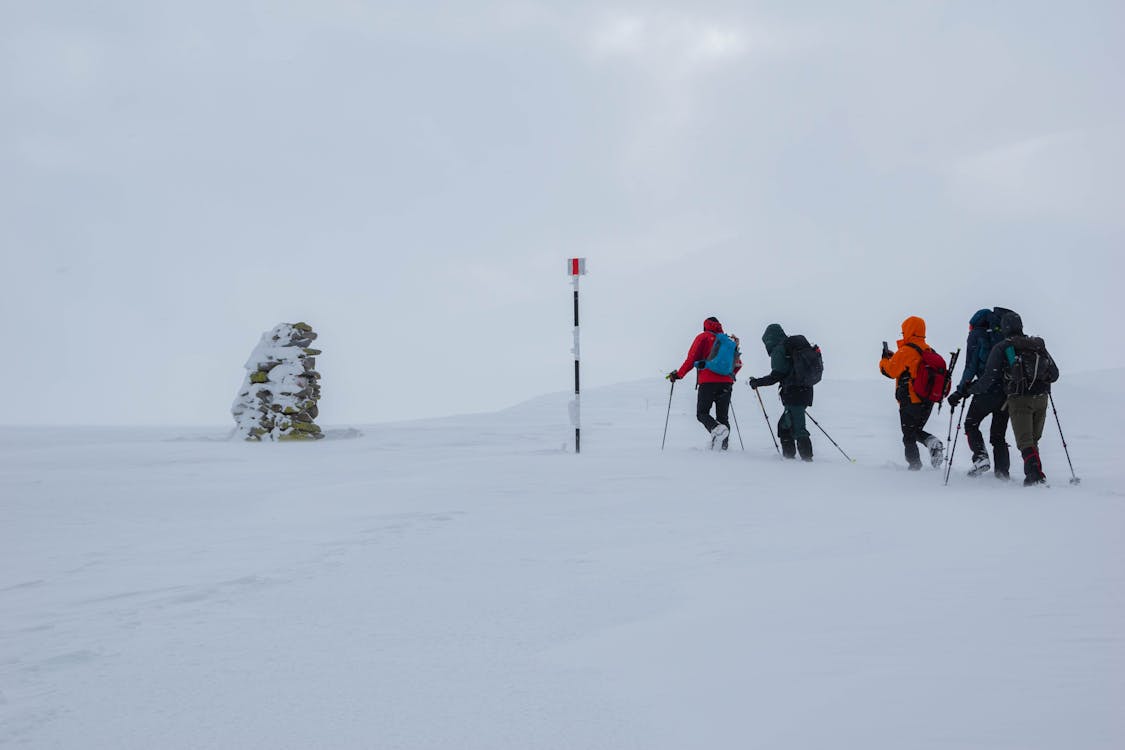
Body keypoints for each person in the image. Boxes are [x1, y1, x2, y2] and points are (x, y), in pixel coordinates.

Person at [971, 312, 1059, 486]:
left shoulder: (1003, 346)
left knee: (1025, 441)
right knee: (1033, 440)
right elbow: (1054, 374)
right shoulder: (1037, 344)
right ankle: (1036, 473)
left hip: (1019, 398)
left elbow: (989, 378)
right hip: (1041, 398)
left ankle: (1035, 475)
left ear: (1005, 327)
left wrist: (971, 389)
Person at [948, 307, 1016, 479]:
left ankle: (980, 457)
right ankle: (1002, 474)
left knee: (971, 424)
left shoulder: (976, 334)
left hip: (985, 389)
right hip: (1006, 392)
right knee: (998, 436)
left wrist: (961, 390)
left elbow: (970, 366)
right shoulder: (1003, 334)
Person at [878, 316, 945, 470]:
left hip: (911, 399)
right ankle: (930, 443)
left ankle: (915, 467)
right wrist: (895, 357)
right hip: (928, 400)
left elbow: (890, 371)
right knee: (915, 431)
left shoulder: (907, 350)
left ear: (910, 330)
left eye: (903, 332)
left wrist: (884, 359)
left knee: (909, 436)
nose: (903, 335)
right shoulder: (928, 349)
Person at [667, 317, 740, 450]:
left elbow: (691, 359)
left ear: (705, 326)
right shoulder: (728, 341)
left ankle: (716, 428)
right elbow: (737, 364)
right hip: (726, 383)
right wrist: (728, 377)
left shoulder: (703, 337)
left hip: (708, 381)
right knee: (723, 417)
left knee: (702, 413)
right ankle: (723, 449)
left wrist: (678, 375)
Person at [747, 324, 815, 461]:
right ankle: (789, 458)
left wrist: (757, 382)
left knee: (798, 427)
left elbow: (776, 375)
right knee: (785, 426)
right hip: (805, 390)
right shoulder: (790, 347)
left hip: (794, 392)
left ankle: (806, 461)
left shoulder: (780, 349)